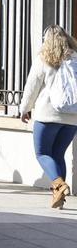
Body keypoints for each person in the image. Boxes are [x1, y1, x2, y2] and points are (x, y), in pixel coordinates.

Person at [20, 25, 77, 209]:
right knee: (58, 154)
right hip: (72, 117)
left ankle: (59, 185)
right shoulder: (75, 58)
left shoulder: (44, 58)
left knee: (42, 153)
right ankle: (58, 198)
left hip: (48, 116)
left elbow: (32, 87)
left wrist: (24, 109)